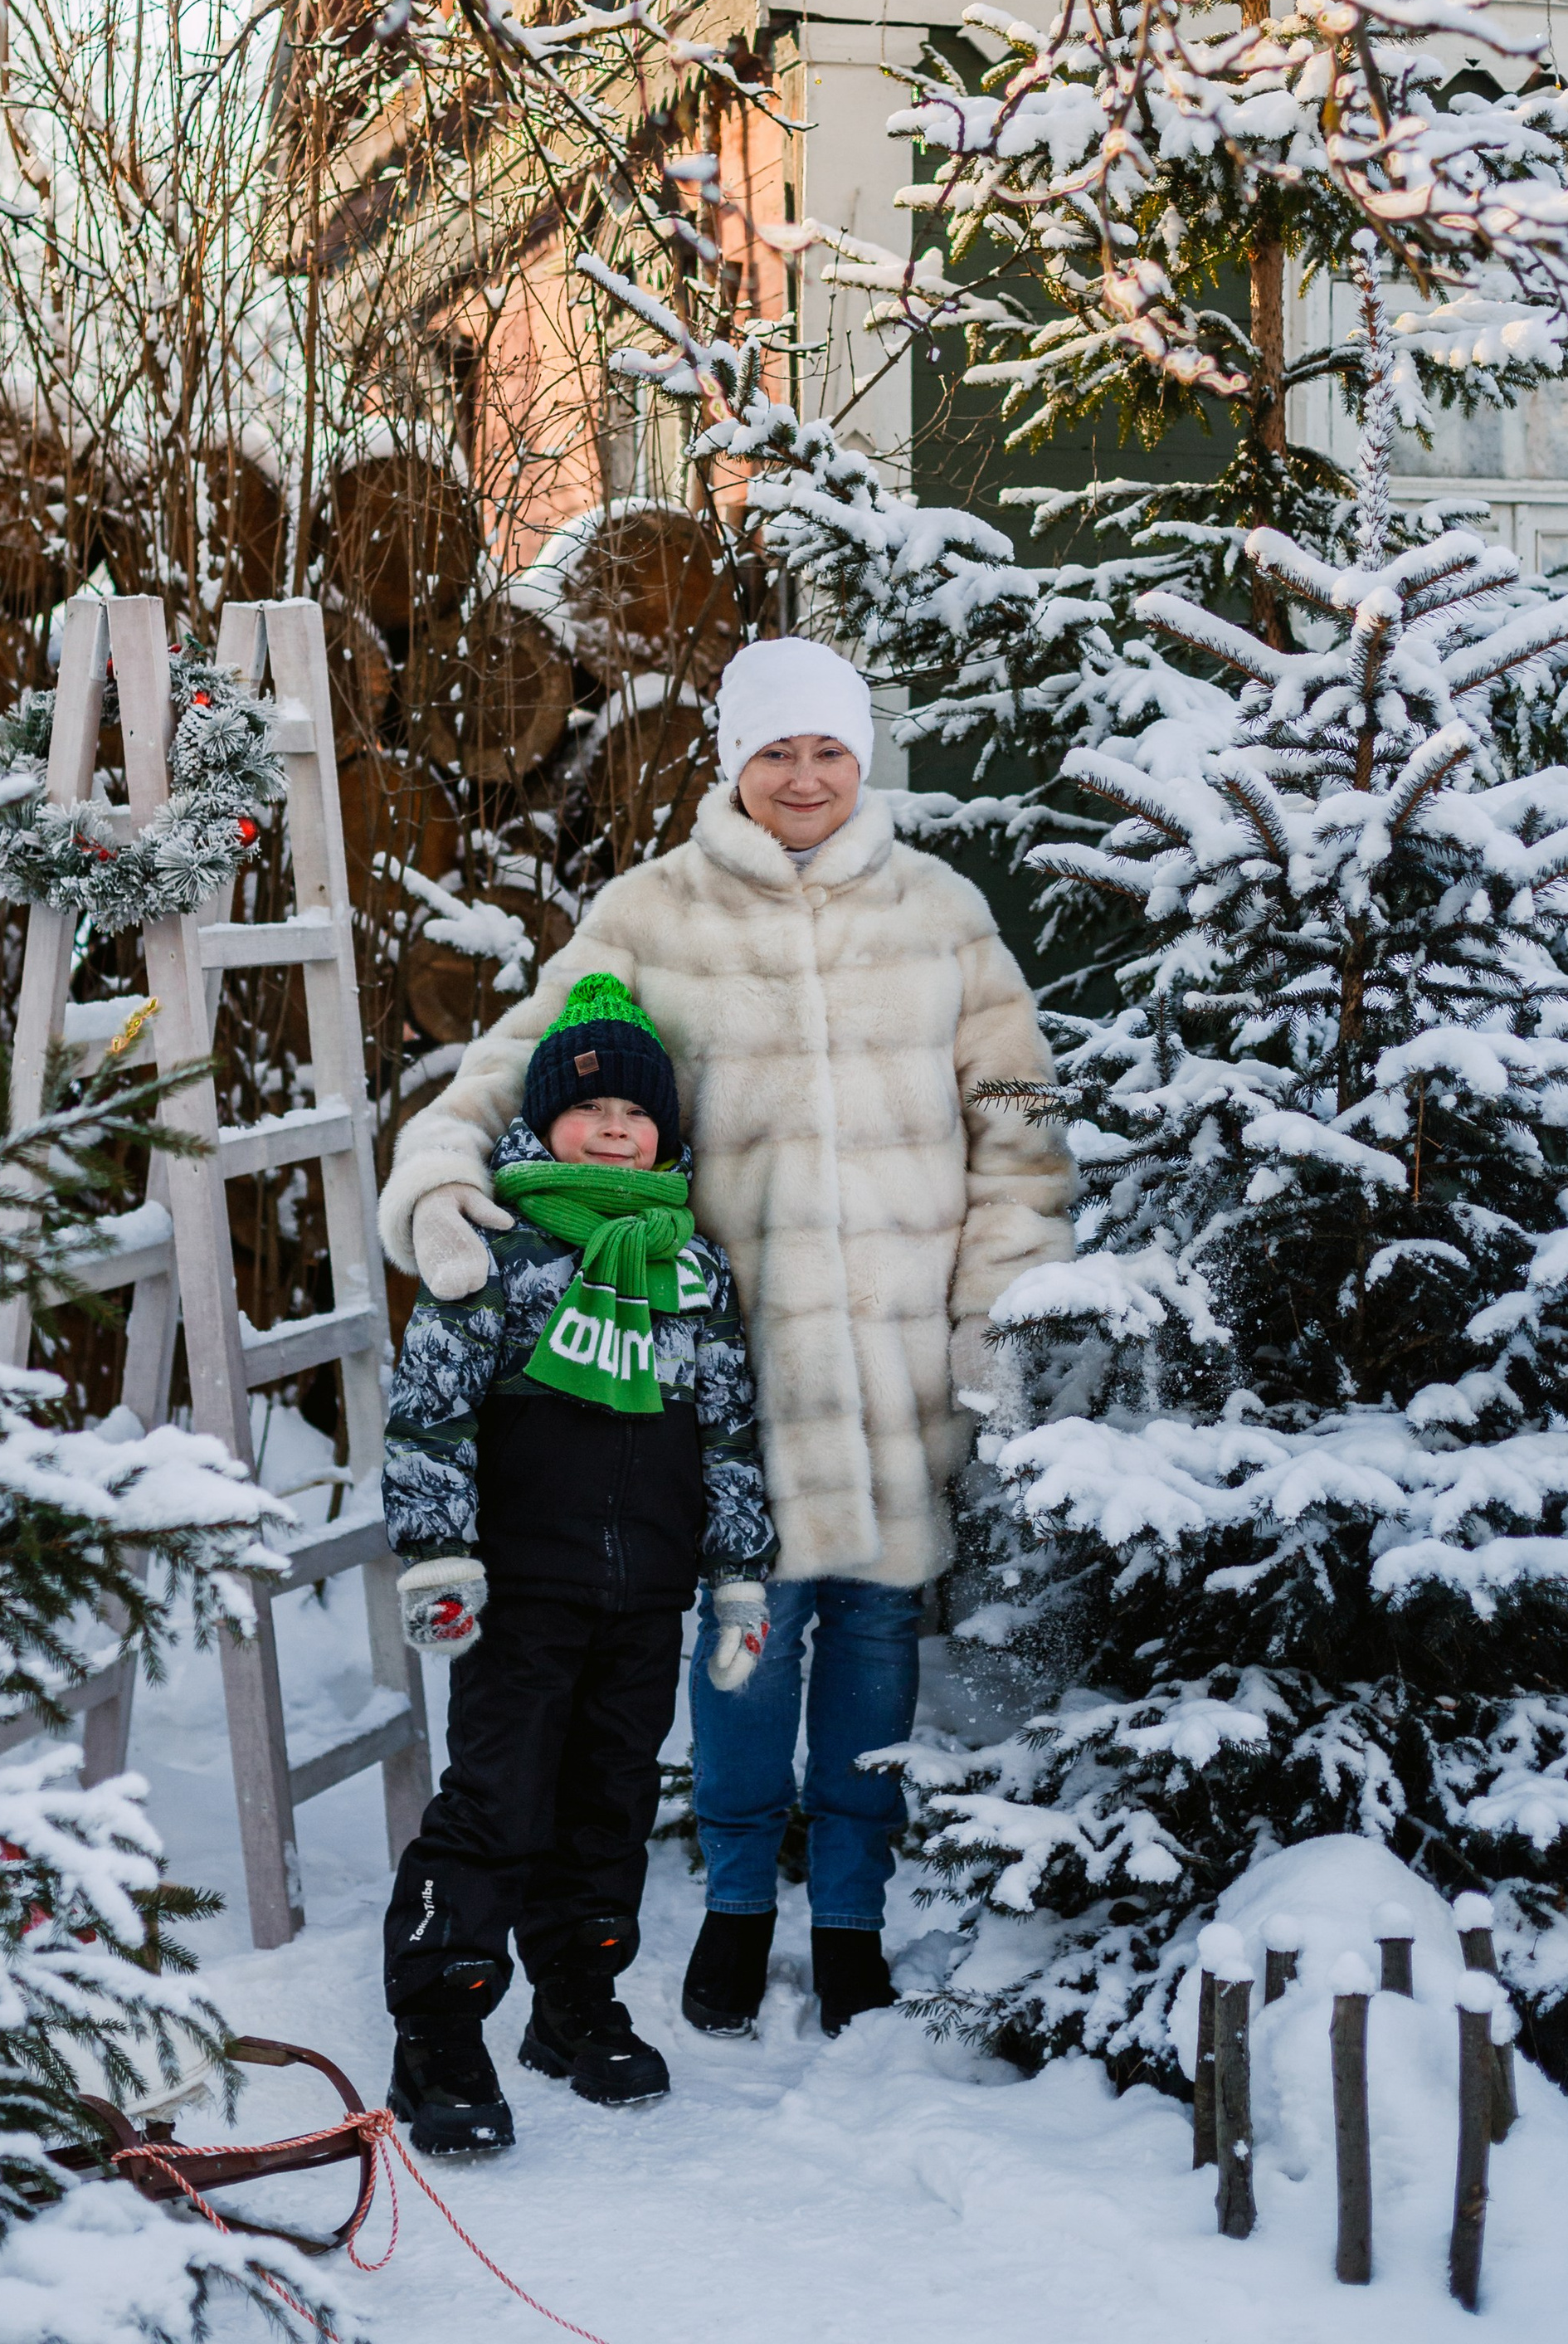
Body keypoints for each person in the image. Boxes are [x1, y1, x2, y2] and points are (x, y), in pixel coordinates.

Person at [380, 636, 1075, 2044]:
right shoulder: (651, 916)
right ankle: (744, 1901)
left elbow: (1023, 1130)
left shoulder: (946, 916)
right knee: (746, 1637)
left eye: (827, 750)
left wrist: (991, 1310)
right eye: (776, 751)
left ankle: (853, 1915)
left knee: (879, 1631)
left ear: (861, 759)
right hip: (720, 1361)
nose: (803, 777)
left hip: (893, 1368)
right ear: (732, 763)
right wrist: (441, 1173)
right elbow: (514, 1062)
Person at [380, 972, 775, 2156]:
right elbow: (432, 1414)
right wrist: (440, 1554)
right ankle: (441, 2029)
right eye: (591, 1108)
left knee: (610, 1800)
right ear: (543, 1121)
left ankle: (576, 2001)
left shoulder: (693, 1270)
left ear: (667, 1131)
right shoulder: (499, 1250)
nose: (614, 1129)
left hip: (646, 1596)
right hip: (523, 1593)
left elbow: (727, 1430)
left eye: (637, 1113)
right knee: (497, 1802)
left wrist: (738, 1576)